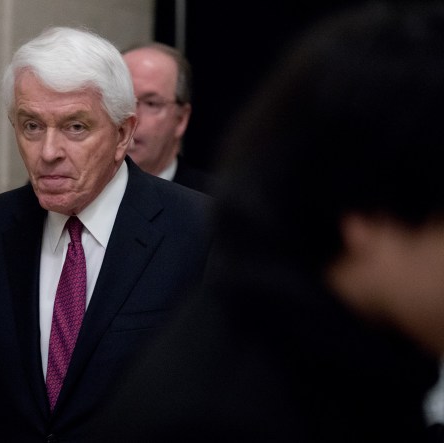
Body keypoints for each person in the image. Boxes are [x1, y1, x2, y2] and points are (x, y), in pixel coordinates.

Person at [94, 2, 444, 442]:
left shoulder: (375, 361)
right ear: (367, 214)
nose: (138, 122)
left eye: (153, 102)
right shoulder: (216, 413)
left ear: (183, 118)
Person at [0, 27, 213, 442]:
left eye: (75, 127)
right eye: (32, 126)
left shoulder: (199, 230)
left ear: (123, 134)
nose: (48, 152)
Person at [122, 42, 212, 193]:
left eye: (151, 103)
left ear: (181, 119)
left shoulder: (211, 204)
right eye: (124, 99)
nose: (133, 117)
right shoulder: (79, 194)